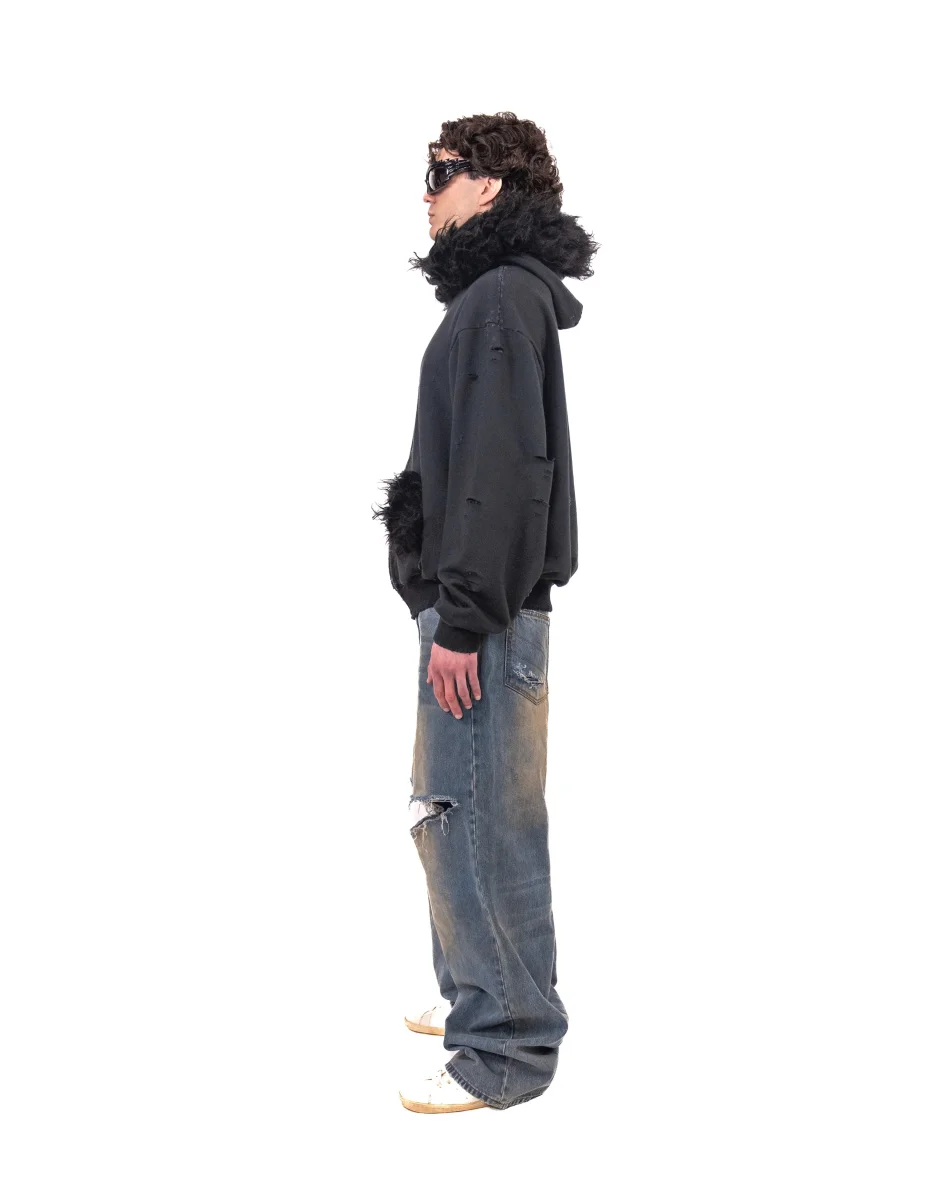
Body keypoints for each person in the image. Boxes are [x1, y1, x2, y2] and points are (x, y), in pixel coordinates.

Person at [372, 112, 599, 1113]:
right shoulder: (493, 299)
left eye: (442, 173)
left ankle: (503, 1046)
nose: (425, 191)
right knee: (451, 812)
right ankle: (482, 984)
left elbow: (502, 473)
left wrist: (461, 619)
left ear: (491, 186)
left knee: (480, 822)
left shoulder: (500, 299)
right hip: (476, 608)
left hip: (486, 617)